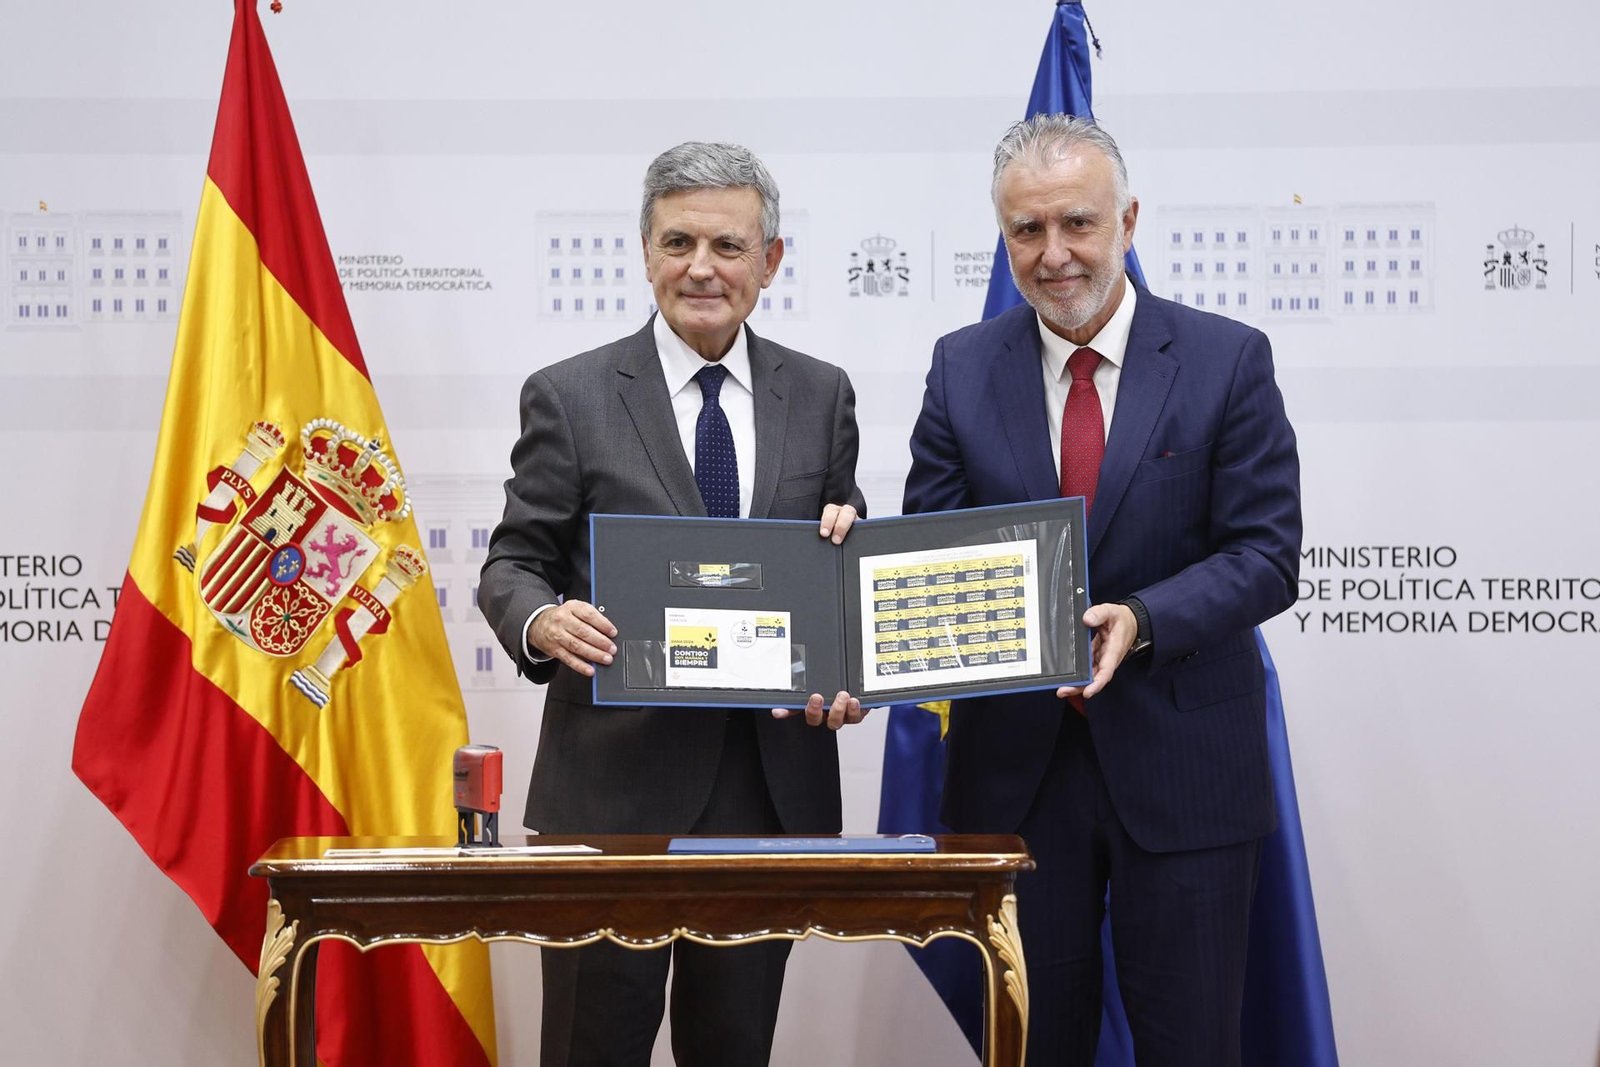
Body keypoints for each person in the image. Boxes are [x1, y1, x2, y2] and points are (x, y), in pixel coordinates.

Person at [903, 114, 1302, 1066]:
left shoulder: (1225, 357)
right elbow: (927, 552)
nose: (1054, 255)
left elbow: (1265, 553)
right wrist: (856, 586)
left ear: (1127, 218)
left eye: (1077, 224)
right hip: (1018, 775)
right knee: (1034, 1048)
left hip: (1185, 765)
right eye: (1026, 231)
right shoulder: (962, 367)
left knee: (1192, 1045)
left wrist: (1145, 618)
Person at [479, 141, 868, 1067]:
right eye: (678, 241)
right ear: (645, 251)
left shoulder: (822, 395)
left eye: (728, 245)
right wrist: (540, 620)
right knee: (589, 1050)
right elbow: (512, 563)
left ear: (770, 261)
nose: (702, 266)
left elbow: (838, 557)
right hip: (609, 794)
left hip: (763, 793)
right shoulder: (570, 396)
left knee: (734, 1052)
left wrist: (850, 659)